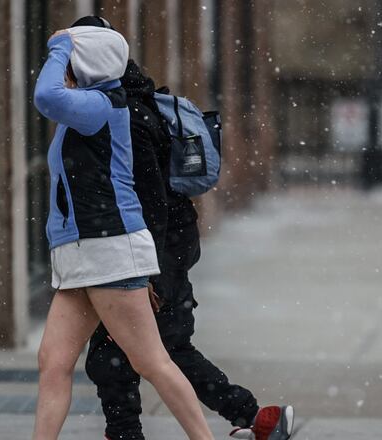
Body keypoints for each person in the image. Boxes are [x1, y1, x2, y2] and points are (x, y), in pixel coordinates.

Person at [81, 31, 295, 440]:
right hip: (168, 247)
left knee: (123, 352)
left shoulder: (129, 116)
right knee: (161, 347)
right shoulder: (134, 103)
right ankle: (256, 418)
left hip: (156, 251)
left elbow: (151, 204)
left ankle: (131, 432)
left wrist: (147, 274)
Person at [31, 17, 214, 440]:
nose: (62, 69)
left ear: (86, 64)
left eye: (71, 61)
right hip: (82, 254)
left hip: (109, 250)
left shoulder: (101, 105)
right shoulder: (89, 109)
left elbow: (45, 94)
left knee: (151, 361)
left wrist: (61, 45)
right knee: (52, 362)